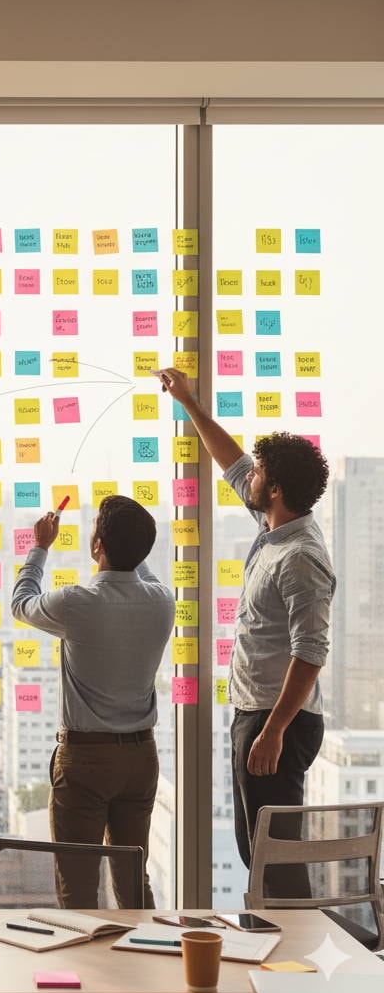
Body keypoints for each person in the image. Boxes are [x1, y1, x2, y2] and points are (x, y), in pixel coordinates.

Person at [156, 367, 335, 895]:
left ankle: (292, 965)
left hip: (277, 720)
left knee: (272, 863)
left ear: (275, 489)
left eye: (259, 473)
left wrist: (273, 731)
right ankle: (277, 954)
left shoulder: (300, 557)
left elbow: (311, 652)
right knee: (257, 854)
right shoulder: (275, 527)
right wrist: (190, 404)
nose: (248, 476)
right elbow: (232, 462)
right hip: (259, 715)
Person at [11, 495, 174, 909]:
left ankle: (87, 971)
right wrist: (123, 541)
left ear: (98, 545)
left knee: (79, 886)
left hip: (85, 761)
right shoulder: (162, 601)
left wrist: (40, 547)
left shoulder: (76, 602)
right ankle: (144, 961)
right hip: (140, 757)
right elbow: (137, 564)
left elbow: (21, 602)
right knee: (132, 879)